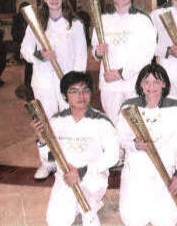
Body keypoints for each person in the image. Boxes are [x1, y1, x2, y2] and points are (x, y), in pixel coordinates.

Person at [31, 71, 119, 226]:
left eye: (85, 90)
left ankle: (91, 205)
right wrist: (42, 140)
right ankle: (81, 204)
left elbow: (113, 156)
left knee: (89, 217)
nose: (81, 95)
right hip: (65, 178)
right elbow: (49, 161)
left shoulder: (102, 121)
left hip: (93, 177)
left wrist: (81, 171)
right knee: (55, 221)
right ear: (64, 96)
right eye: (74, 91)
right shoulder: (56, 121)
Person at [21, 0, 88, 179]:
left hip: (67, 83)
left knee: (69, 123)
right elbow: (24, 50)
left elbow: (81, 55)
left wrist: (75, 84)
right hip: (43, 83)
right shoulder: (36, 23)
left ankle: (69, 162)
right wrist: (38, 55)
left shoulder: (74, 24)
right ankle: (47, 163)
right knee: (45, 123)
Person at [116, 62, 177, 226]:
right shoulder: (129, 106)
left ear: (164, 83)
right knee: (133, 220)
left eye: (156, 81)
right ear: (140, 84)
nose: (151, 86)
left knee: (165, 220)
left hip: (167, 172)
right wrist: (134, 145)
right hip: (137, 172)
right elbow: (121, 138)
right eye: (146, 82)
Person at [92, 0, 156, 124]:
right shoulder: (102, 19)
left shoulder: (143, 19)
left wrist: (121, 73)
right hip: (109, 84)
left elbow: (147, 54)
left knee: (136, 126)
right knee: (113, 124)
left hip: (134, 83)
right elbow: (95, 51)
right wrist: (97, 53)